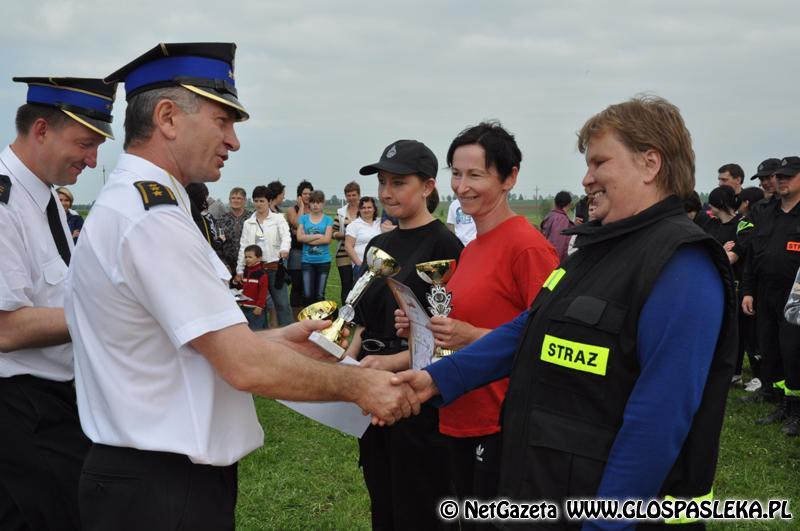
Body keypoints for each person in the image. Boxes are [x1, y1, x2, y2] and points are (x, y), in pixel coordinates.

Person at [65, 42, 420, 530]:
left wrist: (280, 340)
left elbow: (191, 345)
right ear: (168, 117)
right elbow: (240, 364)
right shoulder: (151, 218)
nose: (233, 141)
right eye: (222, 120)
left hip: (150, 481)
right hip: (160, 490)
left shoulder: (141, 206)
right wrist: (359, 383)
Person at [392, 96, 737, 528]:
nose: (586, 178)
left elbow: (658, 418)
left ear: (650, 164)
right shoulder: (595, 249)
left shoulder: (681, 264)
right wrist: (437, 379)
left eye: (599, 163)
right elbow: (530, 328)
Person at [393, 122, 559, 523]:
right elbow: (468, 324)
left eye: (475, 174)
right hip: (457, 415)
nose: (461, 186)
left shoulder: (528, 247)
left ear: (510, 178)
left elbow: (550, 343)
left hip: (500, 423)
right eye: (456, 172)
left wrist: (471, 337)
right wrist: (422, 328)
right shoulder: (472, 249)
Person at [0, 75, 116, 531]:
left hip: (56, 400)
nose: (93, 160)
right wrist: (111, 312)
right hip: (21, 408)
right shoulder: (4, 203)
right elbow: (6, 329)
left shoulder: (42, 196)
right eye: (85, 144)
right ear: (42, 129)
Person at [346, 139, 464, 530]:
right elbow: (361, 319)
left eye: (398, 183)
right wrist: (345, 362)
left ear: (428, 187)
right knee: (382, 499)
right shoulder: (378, 245)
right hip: (373, 391)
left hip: (417, 396)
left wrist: (393, 362)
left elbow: (446, 336)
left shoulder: (446, 246)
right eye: (382, 182)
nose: (385, 193)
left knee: (418, 504)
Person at [740, 156, 800, 436]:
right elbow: (752, 255)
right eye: (779, 175)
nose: (781, 180)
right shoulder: (766, 211)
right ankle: (778, 400)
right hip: (766, 294)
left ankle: (796, 409)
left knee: (794, 354)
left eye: (789, 175)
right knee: (771, 349)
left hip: (795, 299)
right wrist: (748, 290)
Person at [236, 185, 292, 326]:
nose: (258, 204)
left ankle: (290, 336)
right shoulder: (248, 223)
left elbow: (286, 236)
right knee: (257, 306)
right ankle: (262, 336)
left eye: (262, 201)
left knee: (282, 304)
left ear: (269, 201)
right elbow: (243, 246)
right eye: (256, 201)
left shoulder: (278, 219)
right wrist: (240, 269)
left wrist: (284, 249)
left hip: (274, 267)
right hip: (254, 270)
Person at [297, 190, 334, 304]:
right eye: (313, 202)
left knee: (319, 295)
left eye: (318, 202)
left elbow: (327, 239)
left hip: (323, 262)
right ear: (309, 203)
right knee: (307, 295)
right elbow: (299, 237)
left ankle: (319, 321)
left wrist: (307, 239)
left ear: (323, 203)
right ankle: (308, 321)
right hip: (307, 262)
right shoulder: (303, 219)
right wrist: (318, 236)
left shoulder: (328, 220)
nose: (315, 205)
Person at [286, 180, 313, 313]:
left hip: (312, 252)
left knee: (309, 287)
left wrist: (302, 232)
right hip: (297, 252)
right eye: (304, 193)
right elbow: (297, 223)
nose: (307, 196)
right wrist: (301, 207)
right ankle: (295, 318)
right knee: (297, 285)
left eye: (310, 193)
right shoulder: (292, 209)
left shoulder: (315, 210)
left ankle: (307, 316)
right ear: (299, 196)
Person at [333, 181, 360, 303]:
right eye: (349, 195)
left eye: (354, 195)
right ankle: (345, 315)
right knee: (346, 285)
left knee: (359, 285)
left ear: (359, 195)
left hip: (360, 254)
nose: (351, 198)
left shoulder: (365, 209)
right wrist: (347, 236)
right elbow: (333, 232)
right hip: (343, 254)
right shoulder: (340, 213)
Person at [344, 196, 382, 276]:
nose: (366, 210)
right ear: (359, 209)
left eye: (369, 207)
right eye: (363, 208)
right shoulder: (353, 225)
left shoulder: (380, 223)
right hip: (361, 266)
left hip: (380, 267)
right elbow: (348, 246)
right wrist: (360, 264)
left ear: (374, 209)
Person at [218, 186, 252, 274]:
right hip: (228, 266)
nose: (235, 200)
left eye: (239, 198)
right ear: (229, 200)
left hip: (249, 264)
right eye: (233, 198)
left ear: (244, 200)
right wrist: (224, 264)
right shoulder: (222, 220)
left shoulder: (251, 218)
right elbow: (218, 244)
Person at [238, 245, 269, 330]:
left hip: (255, 309)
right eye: (246, 257)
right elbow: (244, 288)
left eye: (250, 257)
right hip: (244, 307)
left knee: (257, 332)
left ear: (259, 258)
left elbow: (263, 293)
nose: (247, 259)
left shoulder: (262, 274)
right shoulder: (246, 271)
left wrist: (259, 307)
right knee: (247, 331)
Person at [540, 190, 574, 261]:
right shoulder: (561, 219)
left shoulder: (550, 215)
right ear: (568, 204)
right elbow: (558, 244)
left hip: (546, 257)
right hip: (556, 262)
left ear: (555, 202)